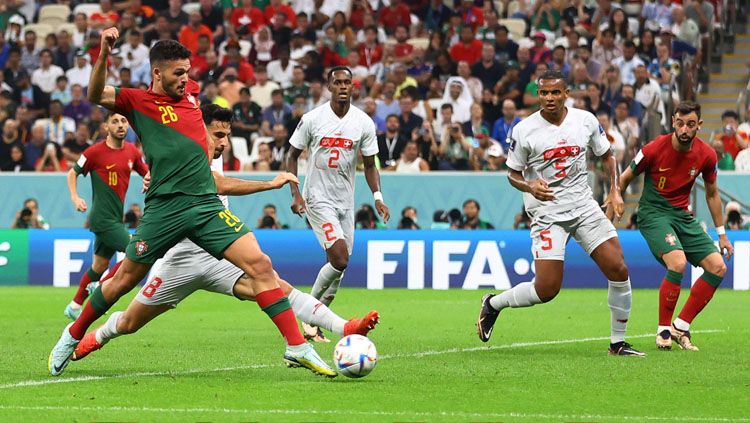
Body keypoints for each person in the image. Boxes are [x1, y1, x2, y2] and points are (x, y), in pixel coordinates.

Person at [48, 31, 334, 378]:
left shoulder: (193, 102)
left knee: (260, 265)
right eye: (178, 73)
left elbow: (203, 161)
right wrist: (105, 50)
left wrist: (264, 181)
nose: (186, 79)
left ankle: (297, 346)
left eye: (188, 72)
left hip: (204, 206)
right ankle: (72, 334)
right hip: (165, 210)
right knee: (123, 280)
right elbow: (96, 94)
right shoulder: (137, 102)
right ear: (157, 73)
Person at [71, 104, 379, 363]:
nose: (224, 141)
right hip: (180, 259)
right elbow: (214, 183)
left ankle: (346, 327)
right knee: (129, 322)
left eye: (227, 135)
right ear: (197, 129)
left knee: (274, 284)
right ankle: (97, 334)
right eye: (218, 134)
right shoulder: (181, 153)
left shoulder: (214, 152)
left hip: (218, 254)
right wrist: (268, 184)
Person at [477, 70, 645, 357]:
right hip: (547, 212)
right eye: (544, 93)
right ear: (538, 95)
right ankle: (493, 304)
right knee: (547, 289)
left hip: (583, 205)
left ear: (567, 93)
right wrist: (529, 186)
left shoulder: (585, 120)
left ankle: (617, 343)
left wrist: (615, 191)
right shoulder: (524, 129)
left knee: (618, 269)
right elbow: (512, 173)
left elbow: (607, 155)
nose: (549, 98)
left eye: (556, 92)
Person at [618, 101, 733, 351]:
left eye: (690, 124)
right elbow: (626, 176)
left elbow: (712, 194)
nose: (684, 129)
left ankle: (681, 326)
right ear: (673, 122)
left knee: (717, 267)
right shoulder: (653, 148)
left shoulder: (706, 155)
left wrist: (722, 235)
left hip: (682, 217)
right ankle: (663, 331)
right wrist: (616, 199)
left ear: (698, 126)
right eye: (680, 123)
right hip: (653, 214)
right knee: (678, 263)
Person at [287, 66, 390, 342]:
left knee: (338, 269)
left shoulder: (363, 122)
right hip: (318, 199)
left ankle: (314, 323)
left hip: (346, 202)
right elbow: (291, 155)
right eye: (338, 82)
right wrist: (295, 194)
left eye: (348, 82)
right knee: (340, 259)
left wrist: (378, 197)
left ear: (353, 87)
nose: (344, 87)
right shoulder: (313, 119)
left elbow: (370, 165)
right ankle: (306, 311)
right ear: (329, 87)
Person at [63, 111, 149, 321]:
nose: (120, 125)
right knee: (135, 251)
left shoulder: (132, 152)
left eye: (123, 121)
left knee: (99, 266)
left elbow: (146, 172)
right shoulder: (94, 152)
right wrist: (75, 197)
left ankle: (74, 306)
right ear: (106, 127)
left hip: (115, 218)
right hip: (102, 219)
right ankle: (101, 286)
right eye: (115, 121)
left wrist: (148, 179)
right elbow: (72, 172)